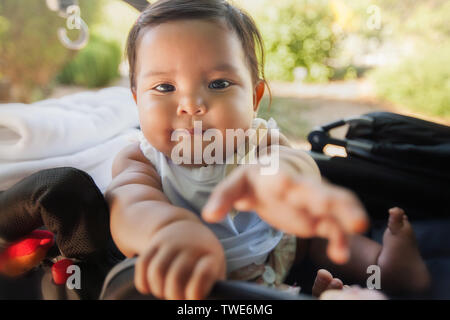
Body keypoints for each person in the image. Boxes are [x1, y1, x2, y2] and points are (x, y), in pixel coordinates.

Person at [105, 0, 430, 300]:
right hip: (198, 282)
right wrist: (167, 231)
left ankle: (384, 267)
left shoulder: (257, 142)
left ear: (254, 98)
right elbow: (129, 206)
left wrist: (281, 179)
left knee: (318, 235)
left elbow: (295, 162)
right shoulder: (141, 159)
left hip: (280, 250)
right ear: (136, 99)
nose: (191, 104)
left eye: (218, 83)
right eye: (164, 87)